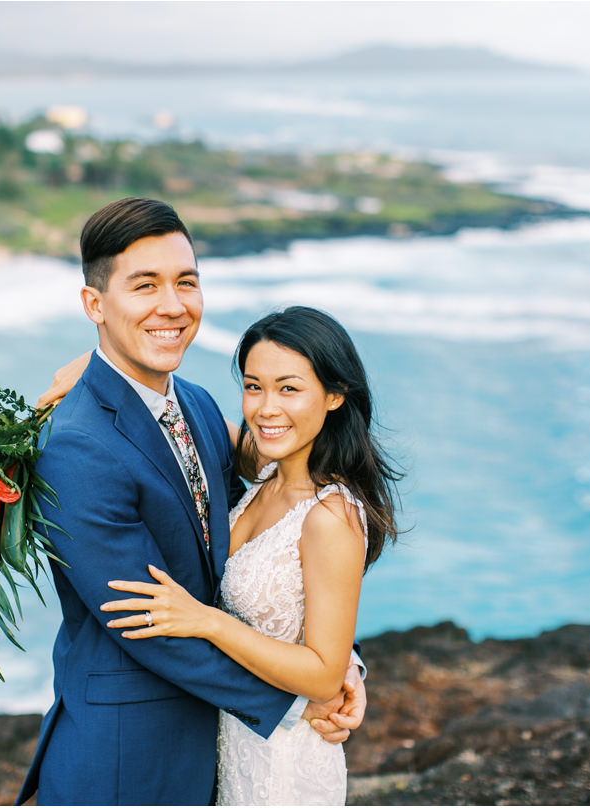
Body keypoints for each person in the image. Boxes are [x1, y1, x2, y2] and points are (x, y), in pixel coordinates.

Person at [16, 199, 364, 807]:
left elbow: (269, 541)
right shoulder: (76, 448)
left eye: (186, 282)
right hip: (129, 758)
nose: (172, 305)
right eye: (144, 285)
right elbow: (147, 622)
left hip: (217, 745)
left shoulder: (198, 406)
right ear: (95, 304)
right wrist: (306, 695)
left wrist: (338, 664)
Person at [101, 306, 400, 804]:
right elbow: (172, 416)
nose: (265, 408)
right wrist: (88, 372)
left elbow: (324, 674)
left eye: (289, 388)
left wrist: (205, 621)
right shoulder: (264, 465)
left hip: (287, 763)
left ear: (333, 396)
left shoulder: (331, 518)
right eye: (253, 386)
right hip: (237, 736)